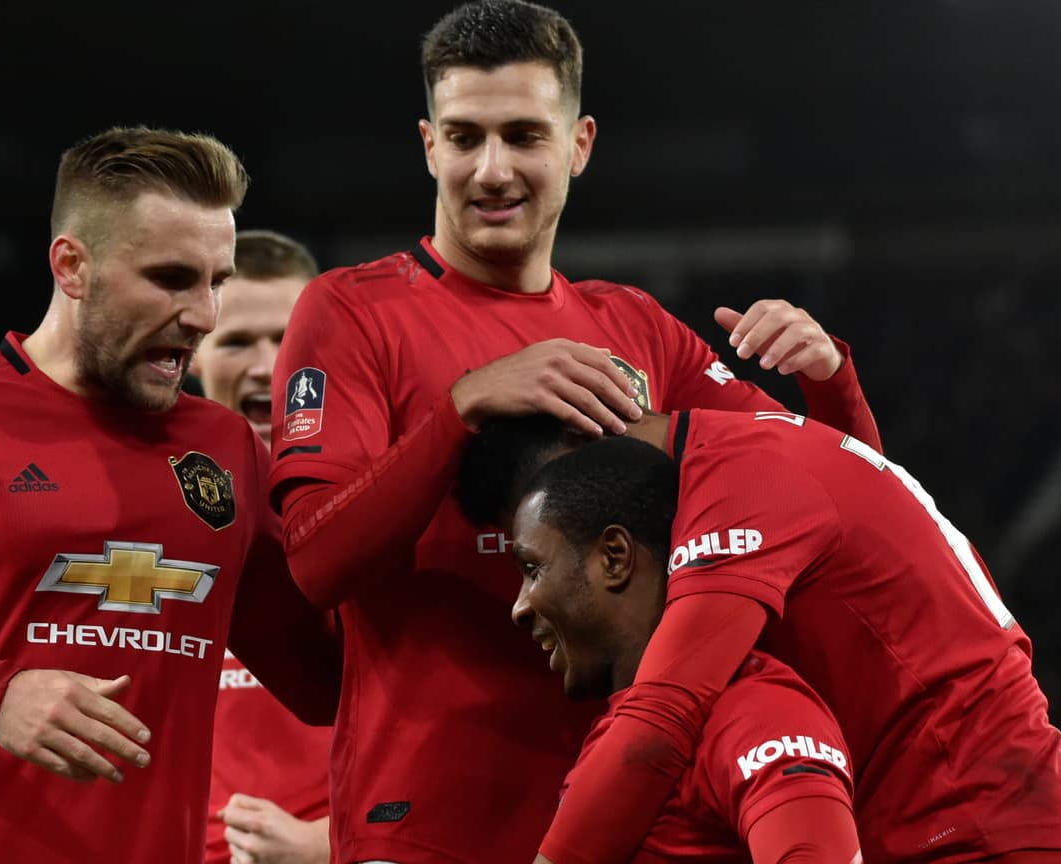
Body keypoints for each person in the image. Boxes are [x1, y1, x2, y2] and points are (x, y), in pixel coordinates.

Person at [268, 1, 880, 861]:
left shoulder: (635, 326)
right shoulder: (352, 312)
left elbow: (835, 510)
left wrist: (830, 388)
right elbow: (315, 561)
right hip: (430, 822)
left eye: (523, 135)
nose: (491, 170)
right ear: (428, 145)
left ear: (580, 144)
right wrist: (464, 406)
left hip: (638, 817)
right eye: (465, 136)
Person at [0, 126, 339, 864]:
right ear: (72, 265)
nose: (205, 316)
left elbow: (326, 682)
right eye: (172, 278)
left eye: (217, 280)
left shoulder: (228, 451)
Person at [458, 412, 1061, 863]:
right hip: (968, 809)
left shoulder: (744, 480)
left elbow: (663, 713)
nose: (524, 598)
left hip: (979, 824)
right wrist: (834, 382)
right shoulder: (753, 445)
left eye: (540, 543)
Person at [502, 438, 862, 861]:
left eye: (533, 568)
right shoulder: (610, 740)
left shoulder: (756, 710)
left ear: (614, 558)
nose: (519, 607)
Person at [191, 230, 332, 864]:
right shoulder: (136, 509)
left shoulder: (385, 508)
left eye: (285, 341)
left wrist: (332, 846)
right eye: (238, 341)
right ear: (193, 351)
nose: (265, 364)